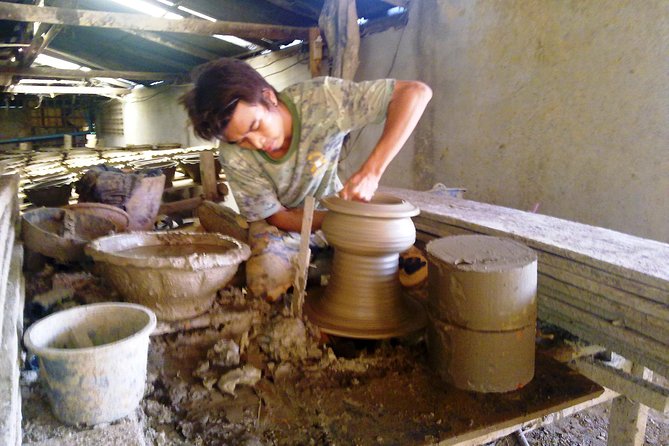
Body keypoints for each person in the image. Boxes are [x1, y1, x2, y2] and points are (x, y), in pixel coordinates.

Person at [181, 58, 432, 300]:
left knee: (413, 272)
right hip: (282, 225)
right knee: (264, 283)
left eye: (255, 125)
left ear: (269, 97)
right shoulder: (233, 155)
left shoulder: (322, 101)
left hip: (333, 206)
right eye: (241, 140)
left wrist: (371, 171)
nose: (255, 143)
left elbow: (415, 93)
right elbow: (277, 216)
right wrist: (339, 222)